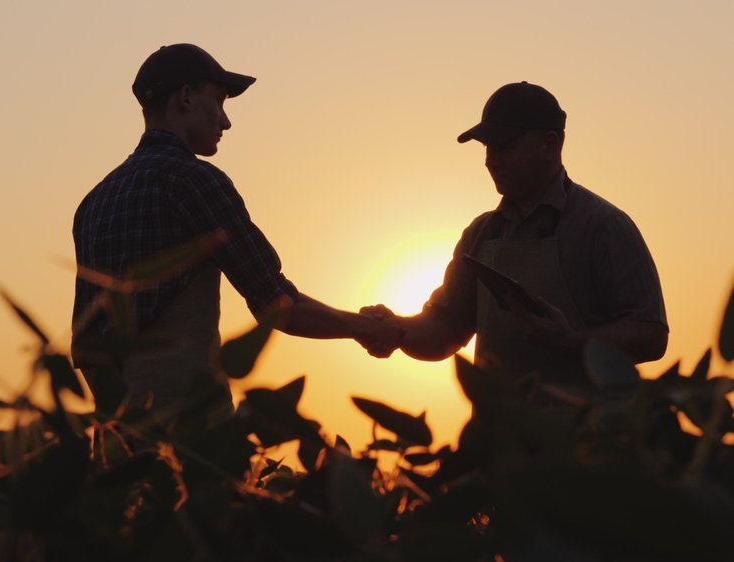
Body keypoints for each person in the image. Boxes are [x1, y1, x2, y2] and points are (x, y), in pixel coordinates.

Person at [72, 44, 399, 415]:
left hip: (117, 448)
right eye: (220, 101)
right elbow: (277, 303)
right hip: (190, 440)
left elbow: (84, 346)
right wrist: (366, 328)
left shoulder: (93, 203)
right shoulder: (193, 181)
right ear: (186, 98)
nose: (225, 122)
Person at [360, 82, 668, 392]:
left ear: (550, 144)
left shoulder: (605, 227)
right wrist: (396, 329)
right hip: (498, 437)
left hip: (587, 437)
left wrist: (573, 341)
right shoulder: (479, 234)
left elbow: (652, 337)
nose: (490, 160)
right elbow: (444, 331)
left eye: (505, 146)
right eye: (487, 148)